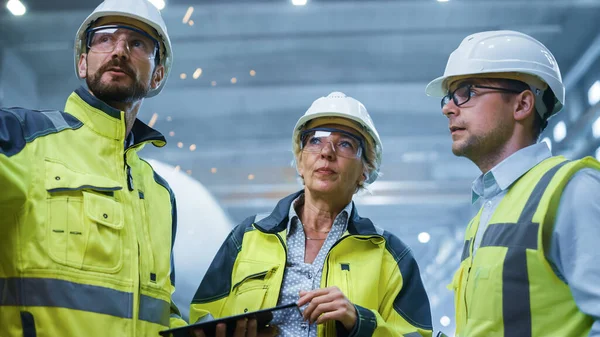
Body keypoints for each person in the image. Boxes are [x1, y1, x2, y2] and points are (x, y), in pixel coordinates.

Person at [0, 0, 187, 336]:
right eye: (104, 39)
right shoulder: (20, 137)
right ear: (83, 63)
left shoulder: (160, 194)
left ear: (157, 74)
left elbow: (158, 312)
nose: (119, 51)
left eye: (137, 43)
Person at [189, 92, 433, 337]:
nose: (327, 152)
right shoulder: (247, 237)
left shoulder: (390, 256)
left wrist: (360, 322)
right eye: (315, 141)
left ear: (365, 171)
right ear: (300, 161)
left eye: (345, 143)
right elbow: (202, 319)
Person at [425, 30, 600, 337]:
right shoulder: (486, 212)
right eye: (449, 96)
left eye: (467, 92)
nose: (448, 108)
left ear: (522, 105)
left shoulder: (573, 191)